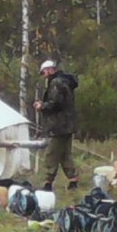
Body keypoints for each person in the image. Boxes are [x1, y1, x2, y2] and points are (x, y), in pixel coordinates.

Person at [33, 58, 78, 193]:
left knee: (51, 154)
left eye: (44, 72)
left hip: (58, 126)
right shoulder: (64, 81)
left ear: (50, 70)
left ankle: (47, 183)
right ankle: (73, 180)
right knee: (64, 155)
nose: (43, 75)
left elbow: (55, 103)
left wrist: (42, 106)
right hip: (67, 125)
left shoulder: (56, 83)